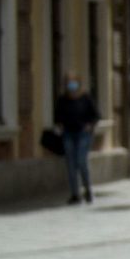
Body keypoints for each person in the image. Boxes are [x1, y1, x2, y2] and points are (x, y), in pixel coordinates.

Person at [53, 75, 100, 204]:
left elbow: (95, 115)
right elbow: (57, 117)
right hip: (68, 134)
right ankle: (75, 194)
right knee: (71, 165)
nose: (71, 85)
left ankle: (88, 190)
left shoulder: (85, 98)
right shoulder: (62, 100)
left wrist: (90, 125)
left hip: (83, 134)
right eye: (69, 83)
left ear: (78, 83)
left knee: (81, 161)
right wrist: (59, 125)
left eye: (73, 82)